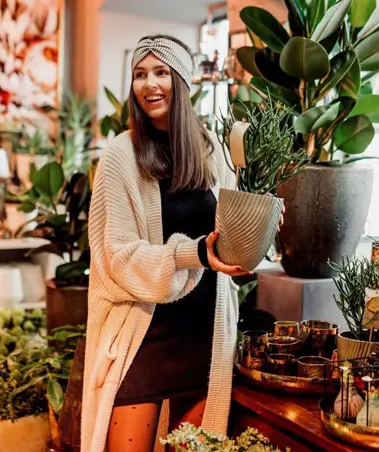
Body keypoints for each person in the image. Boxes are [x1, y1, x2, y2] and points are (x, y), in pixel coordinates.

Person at [80, 34, 269, 452]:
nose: (150, 84)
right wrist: (196, 252)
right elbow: (118, 257)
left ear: (182, 81)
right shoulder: (120, 155)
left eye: (161, 72)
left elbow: (227, 229)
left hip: (203, 335)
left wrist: (262, 222)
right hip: (144, 335)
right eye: (140, 74)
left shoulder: (209, 148)